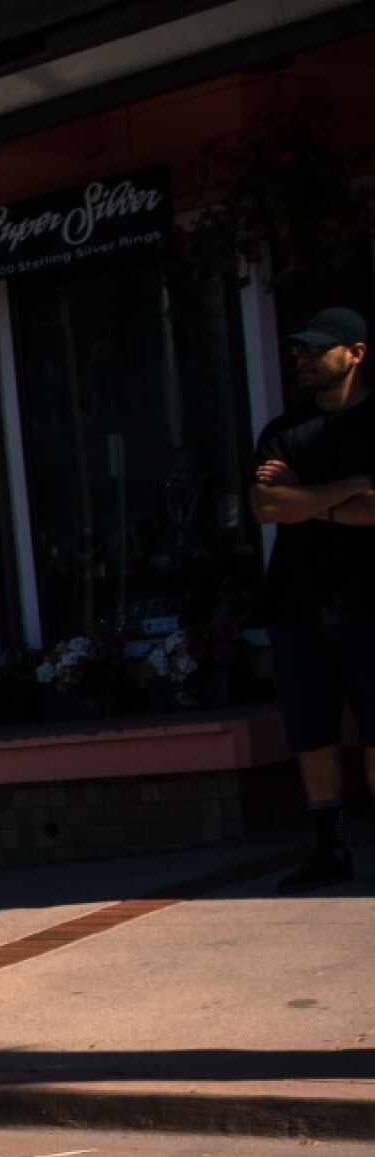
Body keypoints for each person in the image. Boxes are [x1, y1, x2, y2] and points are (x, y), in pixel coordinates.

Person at [250, 306, 375, 892]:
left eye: (315, 349)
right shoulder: (283, 431)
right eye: (298, 348)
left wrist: (306, 499)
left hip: (368, 602)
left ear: (355, 353)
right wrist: (350, 489)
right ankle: (330, 848)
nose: (301, 357)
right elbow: (268, 507)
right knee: (312, 732)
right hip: (297, 605)